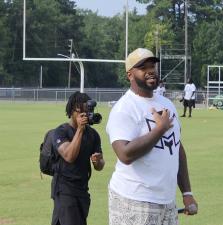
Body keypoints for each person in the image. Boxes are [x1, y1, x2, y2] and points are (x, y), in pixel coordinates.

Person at [106, 48, 198, 225]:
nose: (150, 71)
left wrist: (187, 193)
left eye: (152, 66)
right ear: (130, 75)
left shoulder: (166, 104)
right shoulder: (124, 108)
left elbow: (177, 148)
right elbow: (124, 154)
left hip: (166, 200)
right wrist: (158, 130)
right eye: (143, 67)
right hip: (133, 199)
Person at [51, 91, 105, 225]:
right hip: (64, 189)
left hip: (82, 190)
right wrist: (80, 130)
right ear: (71, 111)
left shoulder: (93, 134)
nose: (84, 115)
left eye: (86, 111)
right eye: (79, 111)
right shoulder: (60, 132)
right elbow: (69, 156)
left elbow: (100, 165)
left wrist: (98, 161)